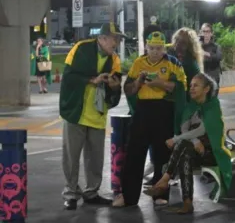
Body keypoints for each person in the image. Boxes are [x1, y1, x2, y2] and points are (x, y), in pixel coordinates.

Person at [113, 31, 187, 207]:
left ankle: (160, 194)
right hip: (142, 111)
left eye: (159, 48)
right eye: (152, 48)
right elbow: (129, 89)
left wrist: (159, 83)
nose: (155, 51)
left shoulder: (172, 62)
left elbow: (180, 87)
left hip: (163, 111)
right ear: (146, 46)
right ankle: (128, 196)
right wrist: (139, 82)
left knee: (162, 155)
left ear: (164, 48)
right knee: (134, 154)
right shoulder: (139, 63)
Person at [143, 73, 232, 214]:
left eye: (196, 85)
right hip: (194, 150)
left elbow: (204, 129)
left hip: (213, 152)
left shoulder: (212, 106)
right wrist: (195, 141)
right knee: (186, 153)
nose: (191, 88)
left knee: (182, 144)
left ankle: (165, 180)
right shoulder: (191, 106)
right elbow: (184, 127)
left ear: (207, 89)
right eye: (190, 85)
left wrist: (176, 139)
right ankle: (186, 202)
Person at [59, 22, 125, 210]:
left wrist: (113, 87)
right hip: (76, 112)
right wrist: (92, 80)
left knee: (95, 158)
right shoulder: (80, 49)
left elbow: (116, 88)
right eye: (114, 38)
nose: (116, 42)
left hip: (97, 114)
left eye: (118, 39)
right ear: (102, 38)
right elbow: (69, 77)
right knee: (71, 156)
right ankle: (71, 193)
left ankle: (91, 192)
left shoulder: (115, 60)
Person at [168, 27, 204, 101]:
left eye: (183, 42)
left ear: (190, 46)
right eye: (177, 40)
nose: (178, 45)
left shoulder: (191, 65)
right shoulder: (172, 58)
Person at [200, 23, 222, 94]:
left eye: (208, 31)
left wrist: (206, 54)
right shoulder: (197, 46)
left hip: (213, 75)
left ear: (211, 33)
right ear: (201, 32)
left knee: (213, 98)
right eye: (204, 31)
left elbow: (219, 57)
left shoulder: (216, 46)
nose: (206, 34)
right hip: (201, 75)